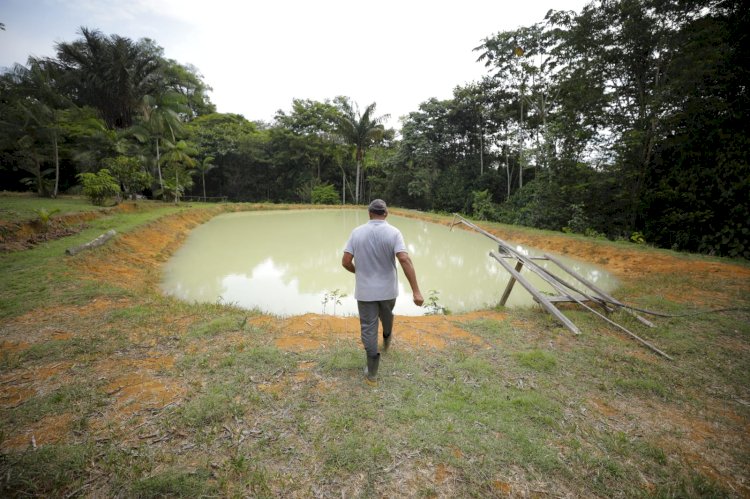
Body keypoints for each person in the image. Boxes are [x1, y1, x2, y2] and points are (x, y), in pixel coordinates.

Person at [342, 199, 424, 385]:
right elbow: (404, 259)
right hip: (388, 290)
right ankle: (387, 338)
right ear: (386, 214)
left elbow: (346, 261)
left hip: (365, 292)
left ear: (369, 213)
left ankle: (372, 373)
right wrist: (416, 291)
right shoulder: (394, 233)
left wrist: (359, 272)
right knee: (387, 315)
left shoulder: (357, 233)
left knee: (368, 327)